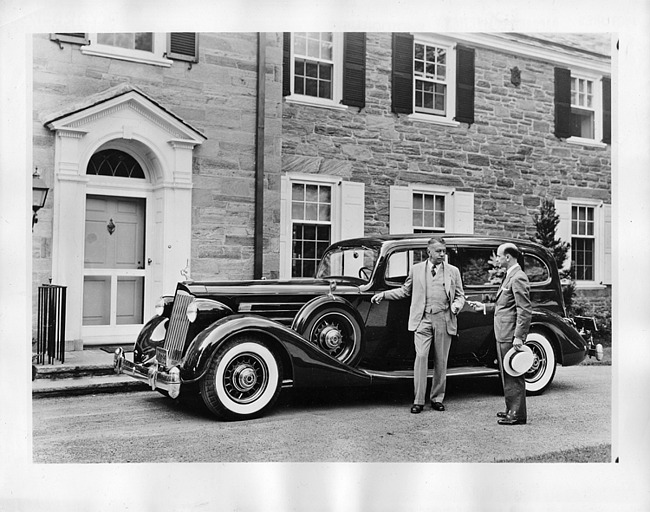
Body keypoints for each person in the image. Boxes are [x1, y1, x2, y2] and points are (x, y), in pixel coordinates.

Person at [371, 237, 465, 414]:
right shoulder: (416, 270)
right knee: (421, 357)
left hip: (444, 319)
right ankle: (418, 400)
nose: (442, 255)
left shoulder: (453, 271)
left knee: (441, 360)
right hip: (423, 320)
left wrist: (457, 305)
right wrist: (383, 295)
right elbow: (405, 291)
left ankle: (437, 398)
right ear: (428, 252)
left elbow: (460, 295)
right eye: (438, 251)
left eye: (444, 251)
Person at [469, 243, 532, 425]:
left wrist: (519, 336)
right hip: (503, 332)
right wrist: (484, 307)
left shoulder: (518, 277)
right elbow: (505, 305)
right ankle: (511, 408)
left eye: (498, 256)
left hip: (510, 333)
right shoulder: (509, 275)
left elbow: (524, 310)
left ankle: (517, 414)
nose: (496, 259)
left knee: (514, 373)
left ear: (508, 257)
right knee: (507, 373)